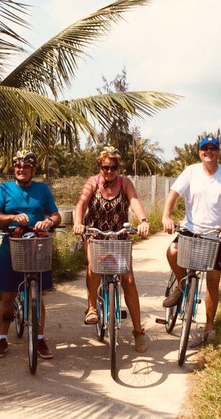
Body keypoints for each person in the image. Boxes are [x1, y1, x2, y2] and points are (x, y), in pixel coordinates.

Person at [161, 136, 221, 343]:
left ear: (218, 152)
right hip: (191, 230)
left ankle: (209, 326)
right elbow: (174, 193)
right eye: (205, 149)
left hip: (217, 235)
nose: (209, 152)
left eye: (213, 149)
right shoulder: (191, 171)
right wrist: (166, 215)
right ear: (200, 153)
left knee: (213, 281)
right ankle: (181, 287)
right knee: (172, 252)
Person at [73, 146, 150, 353]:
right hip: (95, 235)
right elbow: (81, 204)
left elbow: (134, 201)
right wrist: (79, 222)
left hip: (119, 237)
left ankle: (138, 332)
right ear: (100, 166)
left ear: (118, 167)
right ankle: (91, 308)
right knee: (93, 267)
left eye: (113, 167)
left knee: (129, 281)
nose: (109, 171)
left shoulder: (125, 183)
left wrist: (143, 220)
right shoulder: (92, 183)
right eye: (105, 167)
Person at [0, 150, 62, 359]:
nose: (21, 169)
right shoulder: (4, 189)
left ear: (33, 170)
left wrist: (49, 221)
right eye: (18, 166)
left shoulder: (42, 189)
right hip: (12, 244)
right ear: (14, 168)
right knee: (7, 294)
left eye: (26, 166)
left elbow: (55, 214)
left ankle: (39, 339)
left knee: (37, 294)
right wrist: (11, 217)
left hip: (37, 245)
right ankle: (2, 338)